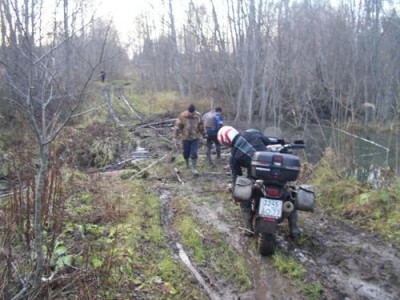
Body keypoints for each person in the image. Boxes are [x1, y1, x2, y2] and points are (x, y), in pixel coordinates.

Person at [217, 126, 300, 238]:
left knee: (244, 197)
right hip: (276, 174)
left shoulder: (233, 156)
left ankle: (248, 227)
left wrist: (235, 195)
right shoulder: (251, 132)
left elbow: (237, 178)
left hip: (257, 179)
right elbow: (269, 141)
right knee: (290, 195)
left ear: (225, 141)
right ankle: (294, 228)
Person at [173, 104, 206, 175]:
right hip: (185, 138)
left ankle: (194, 168)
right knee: (186, 153)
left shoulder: (198, 115)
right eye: (190, 112)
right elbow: (177, 127)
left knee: (194, 153)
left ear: (194, 111)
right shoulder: (182, 116)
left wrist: (204, 135)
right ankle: (187, 163)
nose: (191, 114)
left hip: (195, 137)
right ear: (188, 111)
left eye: (192, 112)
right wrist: (175, 137)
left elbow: (201, 126)